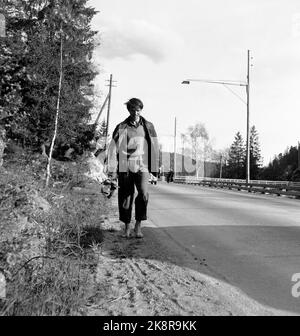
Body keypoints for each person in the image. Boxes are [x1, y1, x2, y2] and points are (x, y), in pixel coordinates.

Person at [107, 98, 159, 238]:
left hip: (143, 166)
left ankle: (138, 226)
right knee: (126, 195)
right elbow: (112, 148)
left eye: (138, 110)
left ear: (141, 110)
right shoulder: (121, 127)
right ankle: (127, 227)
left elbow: (155, 147)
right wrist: (112, 171)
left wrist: (155, 170)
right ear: (129, 110)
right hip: (125, 165)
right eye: (133, 110)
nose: (136, 113)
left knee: (143, 193)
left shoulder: (148, 126)